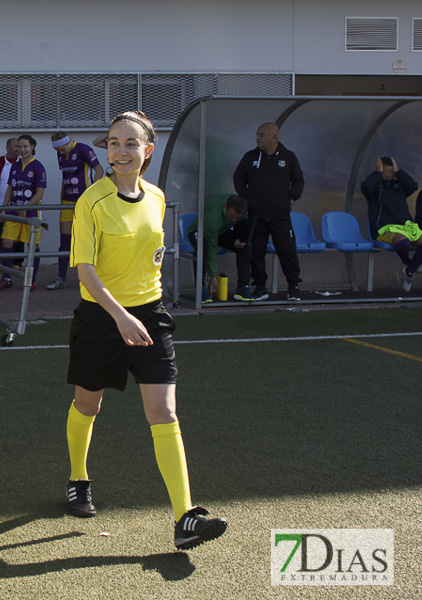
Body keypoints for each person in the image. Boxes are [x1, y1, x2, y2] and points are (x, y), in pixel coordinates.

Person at [64, 110, 227, 551]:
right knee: (87, 404)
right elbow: (86, 271)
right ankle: (78, 477)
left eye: (130, 143)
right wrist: (120, 315)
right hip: (102, 319)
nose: (120, 151)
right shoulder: (91, 202)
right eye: (114, 143)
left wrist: (147, 308)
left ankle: (185, 517)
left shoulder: (155, 198)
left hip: (150, 318)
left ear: (147, 151)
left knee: (165, 414)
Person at [233, 122, 304, 301]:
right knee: (256, 252)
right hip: (257, 215)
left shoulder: (288, 157)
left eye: (261, 135)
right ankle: (260, 288)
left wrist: (292, 197)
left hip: (281, 215)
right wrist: (247, 198)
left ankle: (293, 286)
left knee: (287, 250)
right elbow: (239, 177)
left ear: (274, 137)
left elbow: (298, 180)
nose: (258, 139)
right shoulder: (251, 157)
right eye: (257, 135)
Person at [47, 132, 102, 290]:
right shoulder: (60, 154)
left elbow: (99, 170)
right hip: (67, 201)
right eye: (58, 150)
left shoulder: (84, 149)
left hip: (83, 201)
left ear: (68, 142)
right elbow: (65, 176)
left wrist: (91, 194)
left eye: (62, 149)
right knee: (65, 240)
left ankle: (93, 279)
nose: (61, 153)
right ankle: (60, 278)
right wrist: (61, 197)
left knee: (87, 239)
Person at [0, 134, 45, 291]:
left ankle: (31, 281)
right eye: (19, 147)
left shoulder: (38, 166)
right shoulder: (15, 166)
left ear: (32, 147)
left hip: (31, 213)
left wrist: (27, 207)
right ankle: (6, 278)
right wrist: (4, 206)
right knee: (6, 242)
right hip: (14, 210)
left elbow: (39, 193)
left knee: (32, 246)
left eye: (25, 146)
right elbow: (10, 188)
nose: (22, 150)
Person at [361, 156, 421, 292]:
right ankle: (409, 263)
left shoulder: (399, 187)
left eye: (391, 171)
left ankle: (410, 271)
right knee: (403, 241)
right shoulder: (374, 189)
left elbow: (412, 186)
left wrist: (399, 171)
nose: (388, 175)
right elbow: (366, 186)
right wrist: (377, 173)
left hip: (406, 225)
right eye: (384, 171)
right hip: (384, 228)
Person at [187, 195, 251, 302]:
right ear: (225, 207)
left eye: (236, 217)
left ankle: (243, 287)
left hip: (221, 231)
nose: (233, 220)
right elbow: (212, 247)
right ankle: (201, 289)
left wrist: (238, 238)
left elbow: (242, 224)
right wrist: (213, 276)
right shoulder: (212, 218)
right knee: (202, 247)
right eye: (231, 216)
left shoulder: (242, 210)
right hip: (200, 231)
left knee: (244, 246)